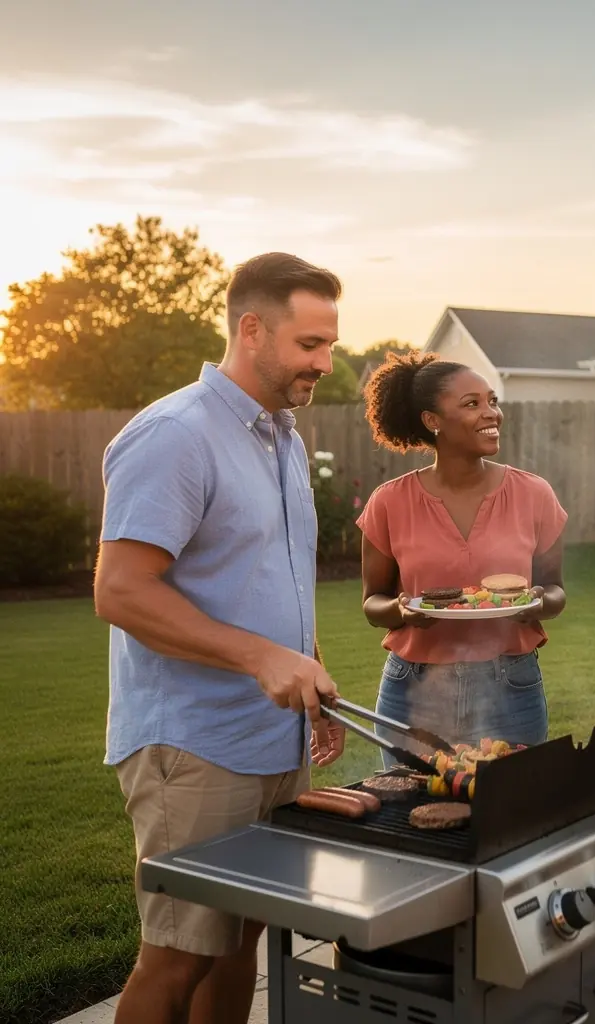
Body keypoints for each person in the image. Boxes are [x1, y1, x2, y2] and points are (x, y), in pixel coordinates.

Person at [94, 252, 348, 1024]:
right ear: (252, 330)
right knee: (179, 955)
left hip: (271, 736)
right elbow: (120, 590)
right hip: (195, 742)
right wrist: (261, 658)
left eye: (330, 345)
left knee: (240, 941)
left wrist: (310, 674)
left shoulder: (283, 438)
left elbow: (271, 576)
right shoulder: (175, 434)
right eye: (310, 344)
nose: (325, 363)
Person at [357, 352, 567, 757]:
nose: (491, 413)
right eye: (472, 404)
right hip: (413, 689)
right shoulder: (390, 502)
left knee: (512, 797)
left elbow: (556, 590)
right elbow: (372, 603)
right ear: (432, 420)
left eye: (492, 401)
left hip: (511, 686)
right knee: (410, 796)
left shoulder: (533, 494)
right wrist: (400, 611)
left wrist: (537, 604)